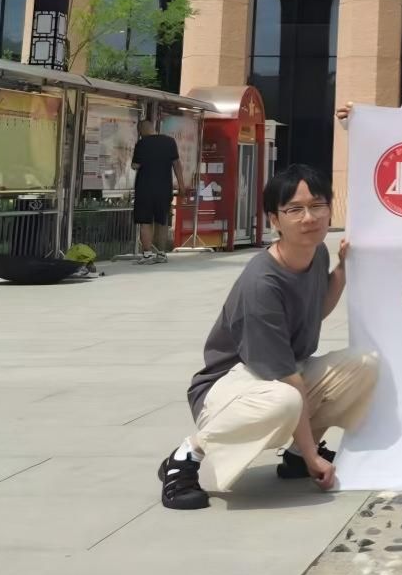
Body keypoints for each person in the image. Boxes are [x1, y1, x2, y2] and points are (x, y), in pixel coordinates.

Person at [158, 164, 379, 511]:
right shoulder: (262, 283)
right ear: (275, 219)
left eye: (317, 206)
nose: (309, 218)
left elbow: (316, 310)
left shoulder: (315, 253)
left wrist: (342, 268)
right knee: (286, 400)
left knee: (364, 364)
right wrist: (315, 458)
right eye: (295, 209)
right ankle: (185, 457)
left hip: (278, 375)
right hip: (230, 387)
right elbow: (288, 380)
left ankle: (295, 457)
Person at [131, 118, 186, 263]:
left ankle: (147, 254)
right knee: (162, 221)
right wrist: (181, 185)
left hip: (144, 189)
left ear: (141, 131)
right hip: (164, 188)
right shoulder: (169, 142)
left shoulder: (141, 143)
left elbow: (135, 165)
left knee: (145, 222)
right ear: (153, 128)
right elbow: (177, 164)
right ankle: (161, 254)